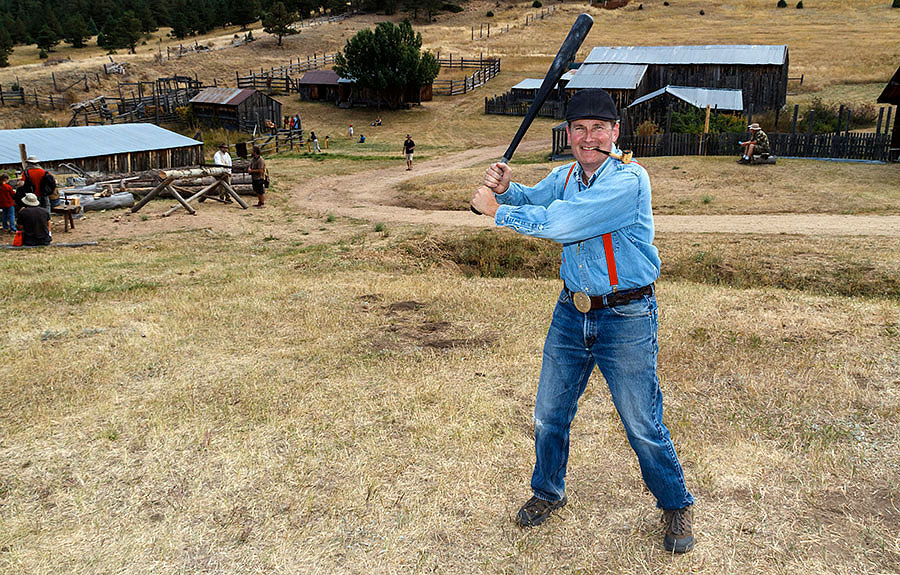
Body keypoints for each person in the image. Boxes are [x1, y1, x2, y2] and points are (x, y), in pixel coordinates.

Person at [470, 88, 695, 554]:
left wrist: (495, 211)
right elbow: (536, 200)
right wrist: (507, 187)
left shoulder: (628, 180)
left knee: (641, 422)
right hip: (571, 312)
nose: (588, 137)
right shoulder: (566, 174)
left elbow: (561, 223)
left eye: (599, 129)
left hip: (627, 315)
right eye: (579, 129)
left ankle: (675, 503)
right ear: (568, 134)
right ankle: (548, 491)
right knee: (548, 414)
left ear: (615, 133)